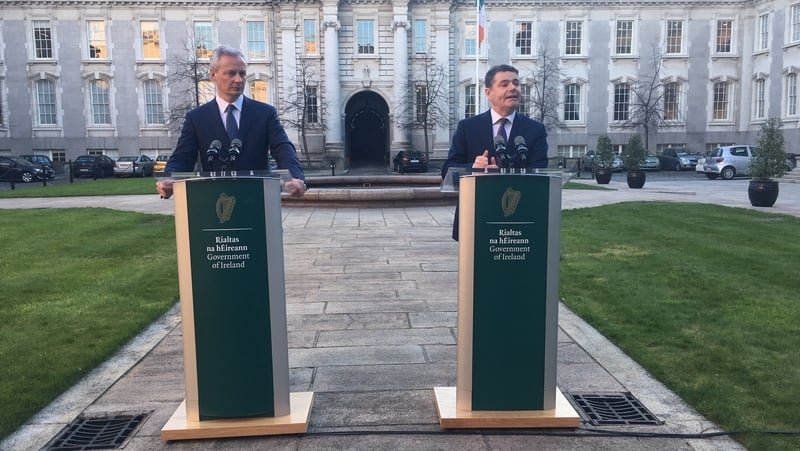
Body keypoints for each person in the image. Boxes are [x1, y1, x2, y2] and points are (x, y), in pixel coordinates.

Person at [156, 45, 307, 199]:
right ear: (213, 74)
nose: (238, 79)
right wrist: (169, 179)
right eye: (231, 73)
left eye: (242, 73)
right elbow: (183, 157)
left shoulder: (265, 114)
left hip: (256, 200)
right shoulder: (196, 119)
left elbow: (283, 148)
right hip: (213, 202)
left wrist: (294, 177)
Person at [441, 64, 549, 240]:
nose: (513, 88)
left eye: (516, 83)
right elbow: (447, 171)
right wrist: (474, 169)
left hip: (520, 221)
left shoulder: (535, 130)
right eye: (504, 84)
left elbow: (540, 174)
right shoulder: (467, 127)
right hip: (476, 218)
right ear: (488, 92)